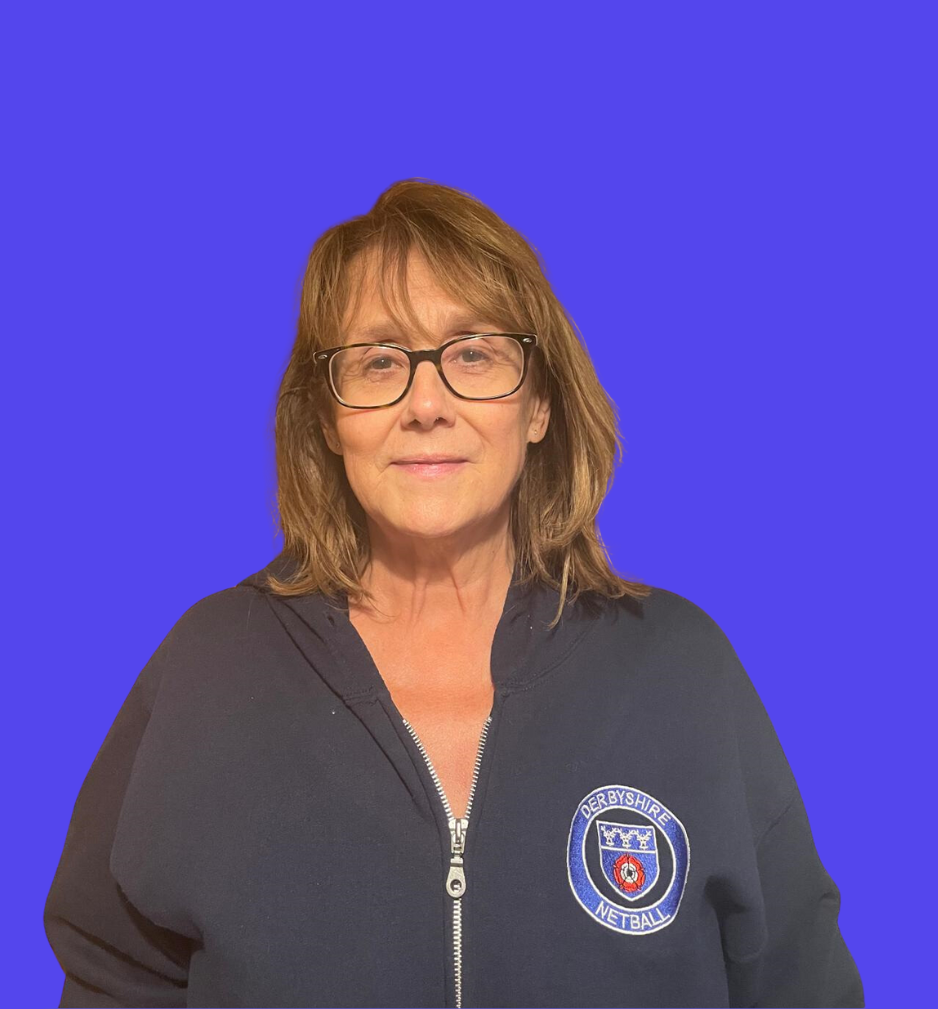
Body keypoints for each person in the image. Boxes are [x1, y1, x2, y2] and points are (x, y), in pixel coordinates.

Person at [44, 179, 864, 1008]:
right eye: (377, 361)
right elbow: (113, 976)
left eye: (472, 353)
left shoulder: (683, 671)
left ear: (538, 402)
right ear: (329, 419)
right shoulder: (207, 672)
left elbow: (803, 986)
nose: (425, 403)